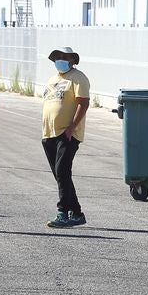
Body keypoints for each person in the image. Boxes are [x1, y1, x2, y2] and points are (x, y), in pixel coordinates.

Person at [41, 46, 91, 228]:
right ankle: (76, 212)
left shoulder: (78, 78)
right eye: (57, 57)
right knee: (61, 174)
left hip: (67, 133)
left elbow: (83, 104)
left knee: (62, 171)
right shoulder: (52, 79)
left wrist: (71, 128)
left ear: (72, 60)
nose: (60, 59)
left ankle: (62, 211)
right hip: (49, 133)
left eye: (64, 57)